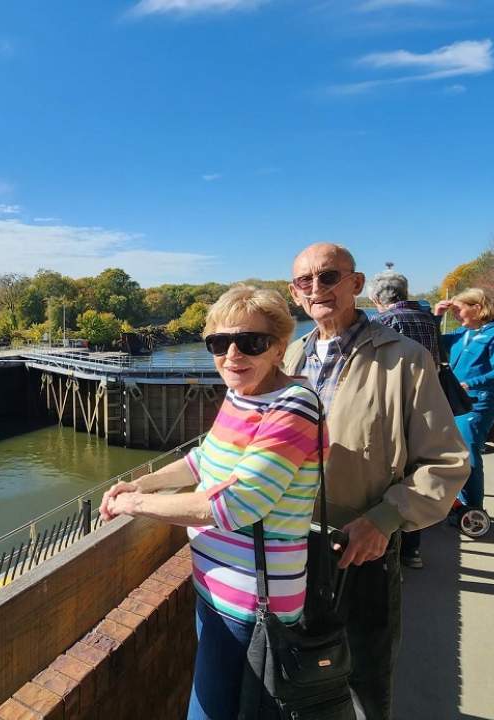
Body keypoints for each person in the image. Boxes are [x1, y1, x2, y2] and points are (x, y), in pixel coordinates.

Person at [98, 285, 326, 720]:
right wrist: (144, 484)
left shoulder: (293, 408)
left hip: (255, 607)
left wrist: (133, 507)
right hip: (213, 589)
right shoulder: (242, 395)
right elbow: (205, 459)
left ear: (279, 348)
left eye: (251, 342)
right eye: (219, 343)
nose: (233, 354)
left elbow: (236, 505)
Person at [282, 243, 468, 720]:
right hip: (289, 550)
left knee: (364, 682)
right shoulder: (289, 356)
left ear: (356, 283)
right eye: (305, 281)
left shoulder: (403, 359)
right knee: (295, 680)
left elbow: (444, 462)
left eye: (329, 277)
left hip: (360, 550)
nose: (317, 289)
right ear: (294, 293)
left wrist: (385, 520)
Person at [369, 264, 440, 570]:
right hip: (429, 402)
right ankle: (413, 549)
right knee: (418, 473)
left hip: (394, 406)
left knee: (394, 476)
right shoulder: (428, 318)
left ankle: (391, 554)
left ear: (376, 299)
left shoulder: (385, 321)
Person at [432, 289, 494, 517]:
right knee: (456, 453)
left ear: (477, 308)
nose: (456, 314)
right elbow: (433, 342)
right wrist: (437, 316)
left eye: (459, 309)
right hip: (458, 402)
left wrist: (471, 383)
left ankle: (473, 509)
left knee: (469, 454)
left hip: (479, 403)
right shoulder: (461, 333)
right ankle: (458, 504)